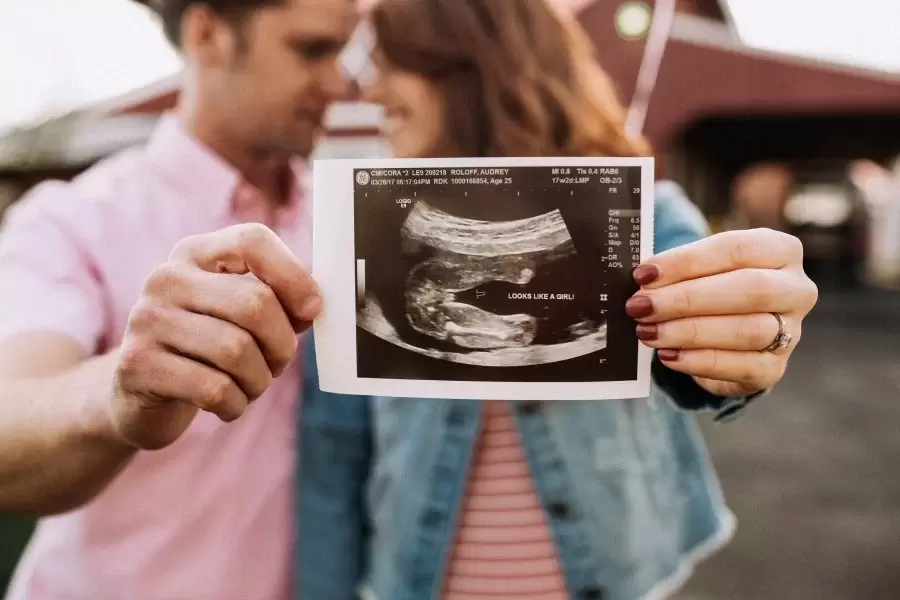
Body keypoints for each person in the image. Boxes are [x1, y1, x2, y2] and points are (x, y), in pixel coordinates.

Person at [295, 1, 818, 600]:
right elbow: (333, 455)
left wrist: (743, 335)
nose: (370, 87)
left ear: (475, 67)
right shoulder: (355, 235)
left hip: (617, 580)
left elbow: (703, 365)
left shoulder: (646, 215)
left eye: (392, 63)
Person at [0, 1, 357, 598]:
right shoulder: (71, 220)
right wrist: (124, 390)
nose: (339, 81)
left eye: (343, 51)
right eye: (312, 50)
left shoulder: (346, 224)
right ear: (208, 34)